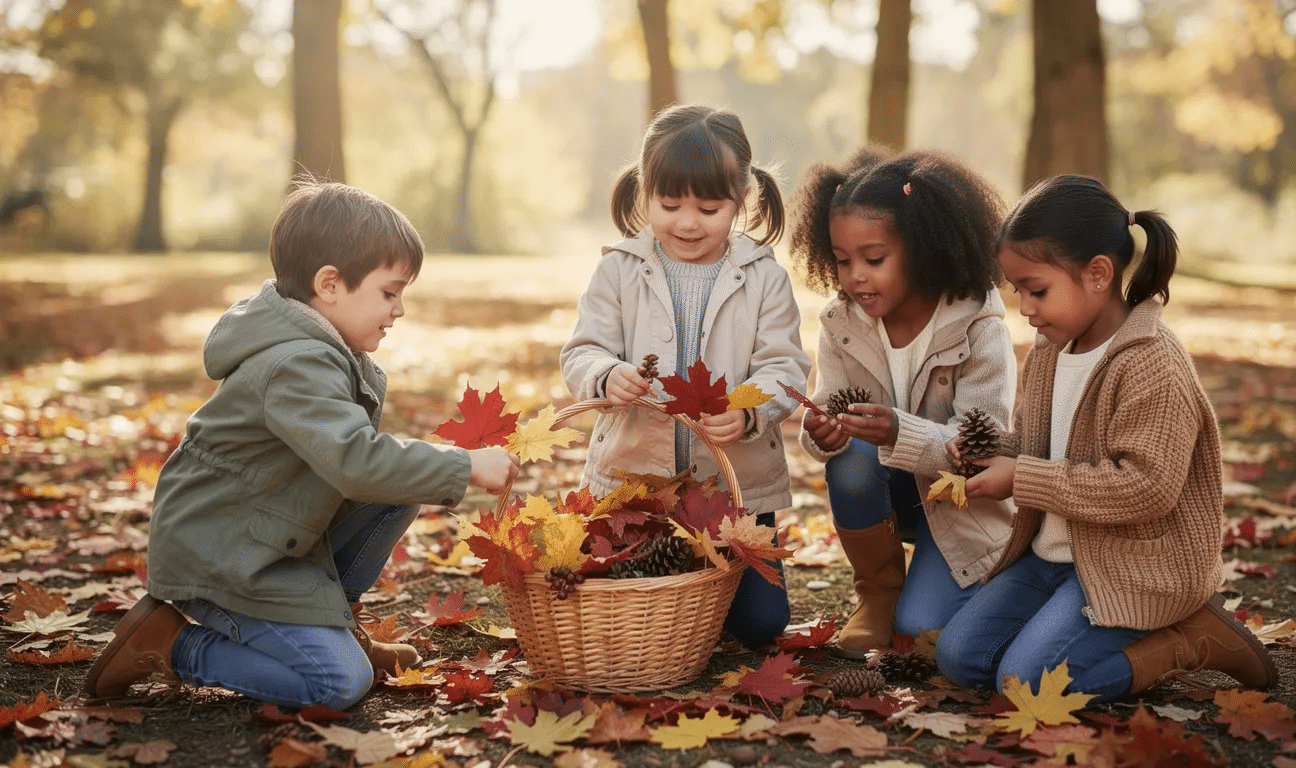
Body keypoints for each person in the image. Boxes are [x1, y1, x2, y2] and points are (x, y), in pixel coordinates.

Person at [83, 180, 520, 710]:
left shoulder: (325, 347)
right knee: (338, 685)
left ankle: (337, 625)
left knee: (400, 486)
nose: (400, 308)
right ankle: (173, 644)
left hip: (267, 532)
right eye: (389, 292)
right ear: (330, 284)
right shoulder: (296, 364)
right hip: (222, 555)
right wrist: (464, 465)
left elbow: (364, 468)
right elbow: (355, 462)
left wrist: (434, 470)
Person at [935, 174, 1277, 701]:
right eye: (1018, 291)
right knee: (960, 657)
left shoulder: (1151, 363)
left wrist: (1021, 476)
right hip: (1053, 559)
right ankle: (1063, 634)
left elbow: (1145, 487)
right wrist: (989, 453)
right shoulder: (1051, 352)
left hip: (1133, 568)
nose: (1025, 308)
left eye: (1037, 290)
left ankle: (1188, 640)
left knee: (1024, 685)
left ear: (1098, 274)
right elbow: (1034, 448)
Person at [560, 104, 812, 648]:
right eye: (669, 204)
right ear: (643, 191)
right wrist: (605, 376)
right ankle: (678, 603)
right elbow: (582, 350)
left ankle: (712, 601)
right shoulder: (619, 269)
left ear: (743, 198)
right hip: (635, 487)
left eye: (709, 206)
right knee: (632, 613)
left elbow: (785, 365)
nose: (687, 222)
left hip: (736, 488)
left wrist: (750, 412)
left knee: (761, 625)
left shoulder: (764, 278)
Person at [790, 147, 1017, 657]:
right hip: (881, 495)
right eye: (842, 260)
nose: (855, 277)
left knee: (919, 633)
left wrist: (899, 431)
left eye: (874, 259)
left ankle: (939, 586)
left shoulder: (980, 328)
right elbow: (827, 407)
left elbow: (982, 448)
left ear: (923, 248)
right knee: (851, 459)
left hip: (958, 505)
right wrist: (821, 432)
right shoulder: (841, 322)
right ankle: (878, 589)